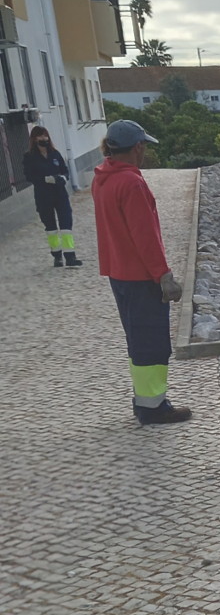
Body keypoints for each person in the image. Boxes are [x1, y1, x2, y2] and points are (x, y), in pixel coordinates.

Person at [93, 120, 191, 425]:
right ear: (137, 147)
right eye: (144, 145)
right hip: (140, 277)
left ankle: (144, 400)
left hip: (119, 273)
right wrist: (163, 275)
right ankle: (153, 408)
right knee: (151, 342)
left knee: (136, 340)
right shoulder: (132, 183)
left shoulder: (102, 179)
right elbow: (145, 236)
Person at [23, 126, 82, 267]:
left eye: (45, 136)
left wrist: (63, 178)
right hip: (43, 196)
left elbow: (65, 170)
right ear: (34, 139)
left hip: (60, 194)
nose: (44, 139)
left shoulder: (55, 154)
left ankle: (70, 256)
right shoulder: (29, 157)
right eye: (40, 136)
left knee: (66, 224)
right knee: (51, 228)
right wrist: (44, 179)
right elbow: (29, 176)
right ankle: (57, 255)